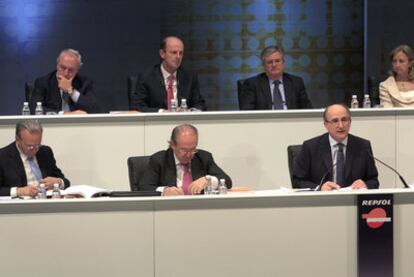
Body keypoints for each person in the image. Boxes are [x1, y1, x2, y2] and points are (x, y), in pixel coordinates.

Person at [292, 104, 379, 191]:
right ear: (326, 124)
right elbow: (297, 181)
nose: (341, 126)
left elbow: (373, 181)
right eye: (335, 121)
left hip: (353, 200)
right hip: (321, 201)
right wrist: (319, 188)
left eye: (344, 120)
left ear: (350, 122)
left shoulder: (363, 146)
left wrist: (365, 185)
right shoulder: (310, 147)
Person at [139, 124, 232, 195]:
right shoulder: (159, 160)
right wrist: (164, 191)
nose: (188, 155)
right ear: (172, 145)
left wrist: (209, 180)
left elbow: (227, 181)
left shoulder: (203, 157)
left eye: (192, 149)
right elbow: (143, 187)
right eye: (183, 150)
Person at [131, 36, 206, 112]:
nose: (178, 57)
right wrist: (161, 112)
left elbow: (200, 104)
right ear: (162, 54)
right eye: (174, 52)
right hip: (157, 122)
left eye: (181, 53)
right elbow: (137, 106)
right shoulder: (147, 77)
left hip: (184, 122)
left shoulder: (189, 77)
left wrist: (190, 111)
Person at [0, 120, 70, 197]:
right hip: (19, 206)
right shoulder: (3, 156)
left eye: (37, 145)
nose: (34, 150)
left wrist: (58, 182)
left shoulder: (45, 152)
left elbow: (66, 182)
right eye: (29, 146)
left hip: (47, 203)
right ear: (17, 139)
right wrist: (18, 191)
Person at [239, 45, 312, 110]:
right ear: (264, 66)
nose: (274, 65)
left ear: (283, 63)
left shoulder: (296, 82)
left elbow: (307, 109)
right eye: (270, 62)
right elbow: (247, 112)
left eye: (277, 61)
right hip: (265, 123)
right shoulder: (252, 84)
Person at [30, 48, 101, 114]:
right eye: (63, 68)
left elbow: (94, 109)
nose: (66, 73)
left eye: (71, 70)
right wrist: (64, 114)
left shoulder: (85, 83)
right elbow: (34, 109)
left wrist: (71, 92)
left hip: (78, 125)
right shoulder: (43, 82)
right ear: (57, 65)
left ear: (77, 70)